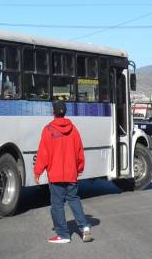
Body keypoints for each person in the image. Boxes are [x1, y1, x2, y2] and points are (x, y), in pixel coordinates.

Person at [33, 99, 92, 244]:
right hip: (71, 174)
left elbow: (43, 153)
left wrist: (37, 172)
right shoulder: (74, 130)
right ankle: (84, 227)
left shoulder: (48, 130)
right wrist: (79, 168)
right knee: (74, 199)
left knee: (57, 205)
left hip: (56, 175)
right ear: (65, 112)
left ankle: (63, 235)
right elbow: (80, 152)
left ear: (53, 113)